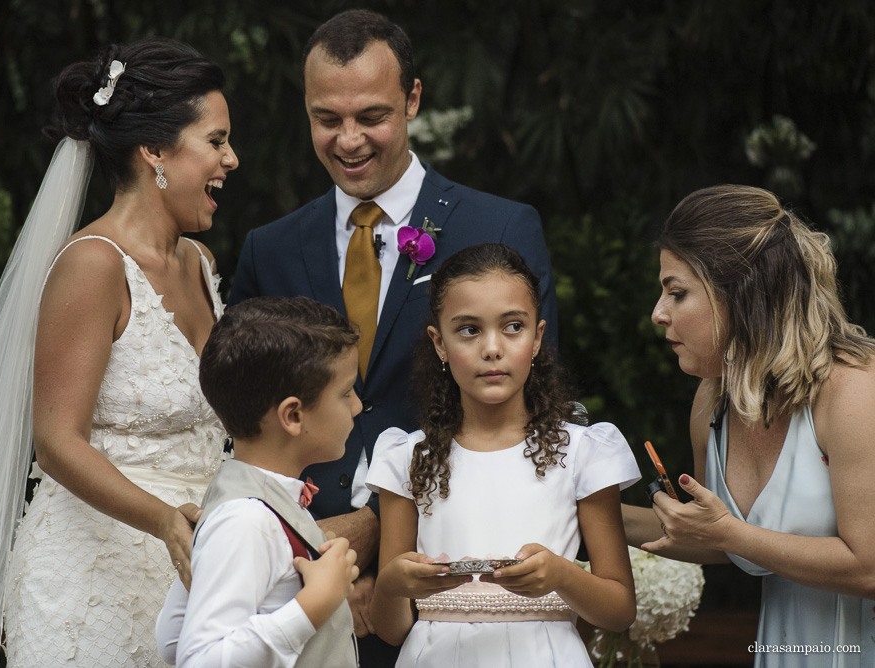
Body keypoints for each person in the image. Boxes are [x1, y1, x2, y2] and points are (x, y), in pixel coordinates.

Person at [0, 37, 237, 668]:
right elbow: (57, 442)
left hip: (199, 573)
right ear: (154, 151)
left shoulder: (200, 264)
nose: (231, 159)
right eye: (216, 140)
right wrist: (164, 522)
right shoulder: (93, 266)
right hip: (94, 575)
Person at [227, 11, 558, 663]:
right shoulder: (270, 249)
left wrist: (381, 533)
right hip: (296, 587)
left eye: (370, 116)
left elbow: (528, 412)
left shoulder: (503, 227)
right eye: (327, 119)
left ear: (412, 99)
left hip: (453, 586)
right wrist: (299, 554)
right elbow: (241, 423)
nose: (349, 140)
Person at [624, 185, 875, 667]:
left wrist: (727, 534)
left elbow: (867, 565)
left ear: (741, 294)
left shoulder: (851, 392)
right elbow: (710, 535)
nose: (658, 314)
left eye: (677, 293)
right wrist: (583, 509)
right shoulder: (711, 402)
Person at [365, 243, 639, 667]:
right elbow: (392, 627)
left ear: (537, 337)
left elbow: (619, 611)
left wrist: (561, 575)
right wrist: (391, 586)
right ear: (439, 343)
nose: (492, 348)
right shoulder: (407, 456)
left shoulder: (585, 452)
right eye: (469, 330)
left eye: (513, 327)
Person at [156, 296, 361, 667]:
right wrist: (314, 603)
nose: (357, 406)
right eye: (345, 393)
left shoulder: (245, 501)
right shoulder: (246, 520)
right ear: (293, 415)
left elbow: (172, 637)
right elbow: (197, 659)